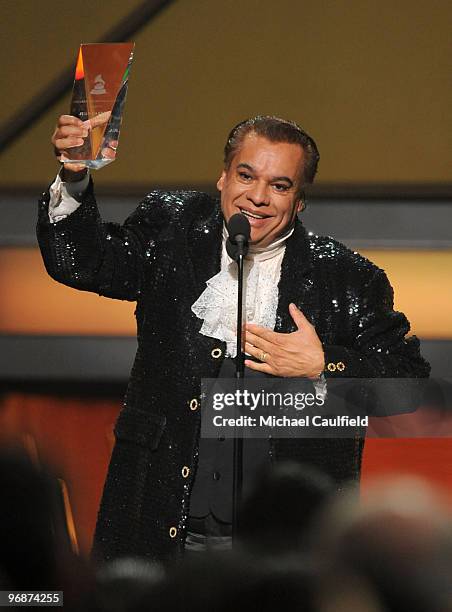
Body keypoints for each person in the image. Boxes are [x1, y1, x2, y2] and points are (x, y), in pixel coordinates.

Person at [38, 114, 430, 564]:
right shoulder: (174, 230)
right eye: (246, 175)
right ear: (223, 177)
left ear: (299, 200)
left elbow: (409, 388)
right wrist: (73, 174)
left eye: (280, 186)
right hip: (158, 524)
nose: (258, 198)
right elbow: (84, 262)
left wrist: (326, 365)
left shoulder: (346, 279)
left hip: (282, 548)